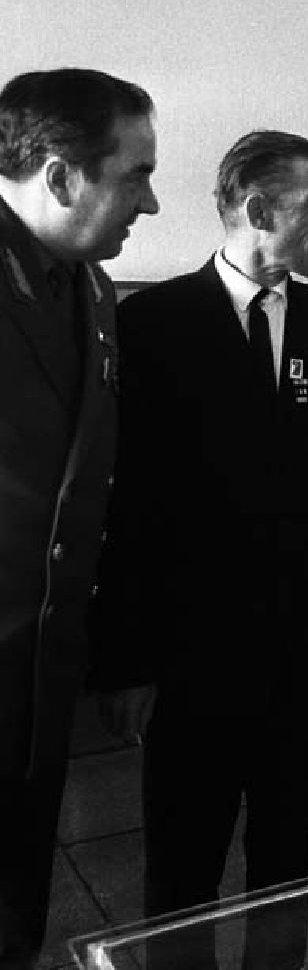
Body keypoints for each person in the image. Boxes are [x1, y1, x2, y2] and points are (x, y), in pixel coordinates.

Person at [89, 130, 308, 970]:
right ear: (260, 210)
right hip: (190, 663)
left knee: (286, 860)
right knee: (182, 866)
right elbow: (125, 508)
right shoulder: (151, 326)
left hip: (303, 654)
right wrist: (123, 662)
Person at [0, 67, 158, 969]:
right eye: (133, 173)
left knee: (20, 904)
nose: (152, 199)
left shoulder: (93, 289)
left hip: (39, 671)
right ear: (61, 176)